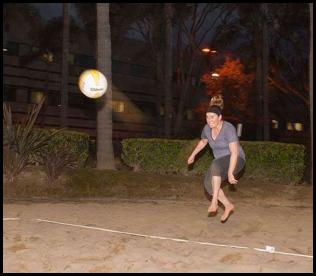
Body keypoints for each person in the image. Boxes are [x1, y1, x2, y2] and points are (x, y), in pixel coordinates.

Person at [187, 96, 245, 223]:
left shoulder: (228, 128)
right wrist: (193, 155)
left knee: (215, 164)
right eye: (207, 117)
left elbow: (234, 152)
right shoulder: (207, 129)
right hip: (220, 163)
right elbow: (203, 142)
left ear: (219, 117)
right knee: (209, 186)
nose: (209, 120)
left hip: (237, 159)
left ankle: (214, 204)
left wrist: (230, 172)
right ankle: (228, 206)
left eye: (212, 117)